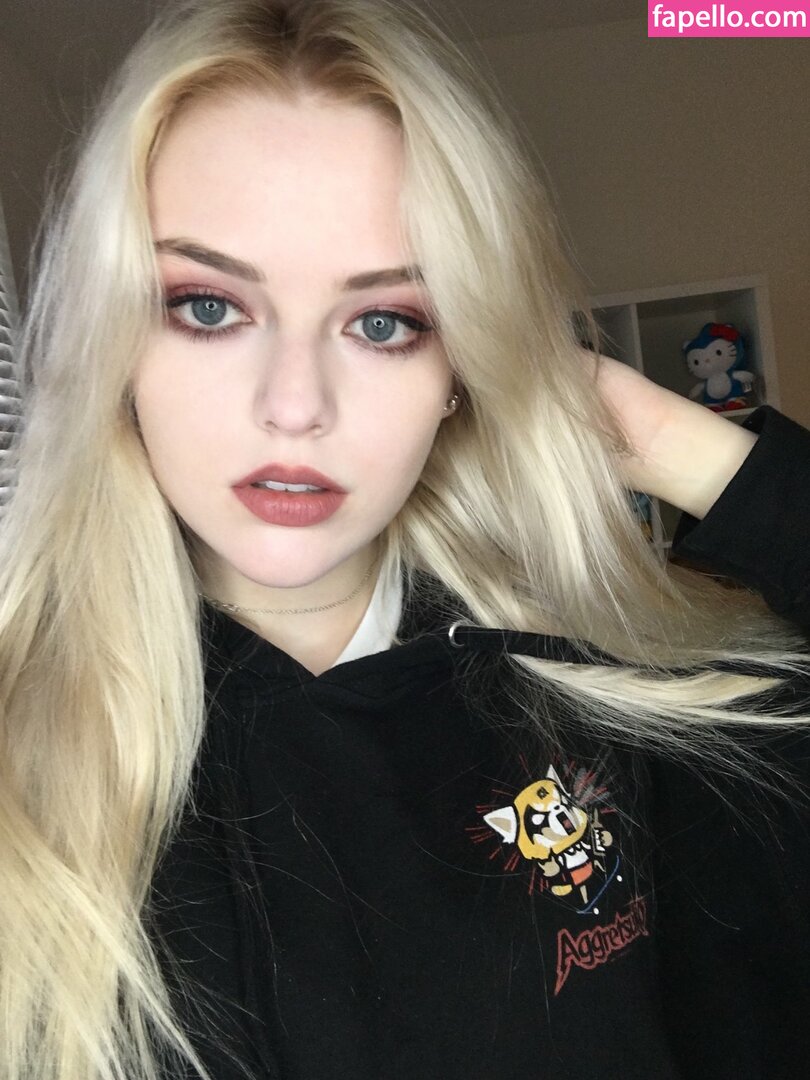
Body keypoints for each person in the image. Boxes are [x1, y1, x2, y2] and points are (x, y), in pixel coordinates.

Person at [1, 1, 808, 1078]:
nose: (295, 406)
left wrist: (671, 443)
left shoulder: (615, 698)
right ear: (112, 334)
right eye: (207, 307)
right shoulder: (23, 751)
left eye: (384, 323)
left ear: (460, 364)